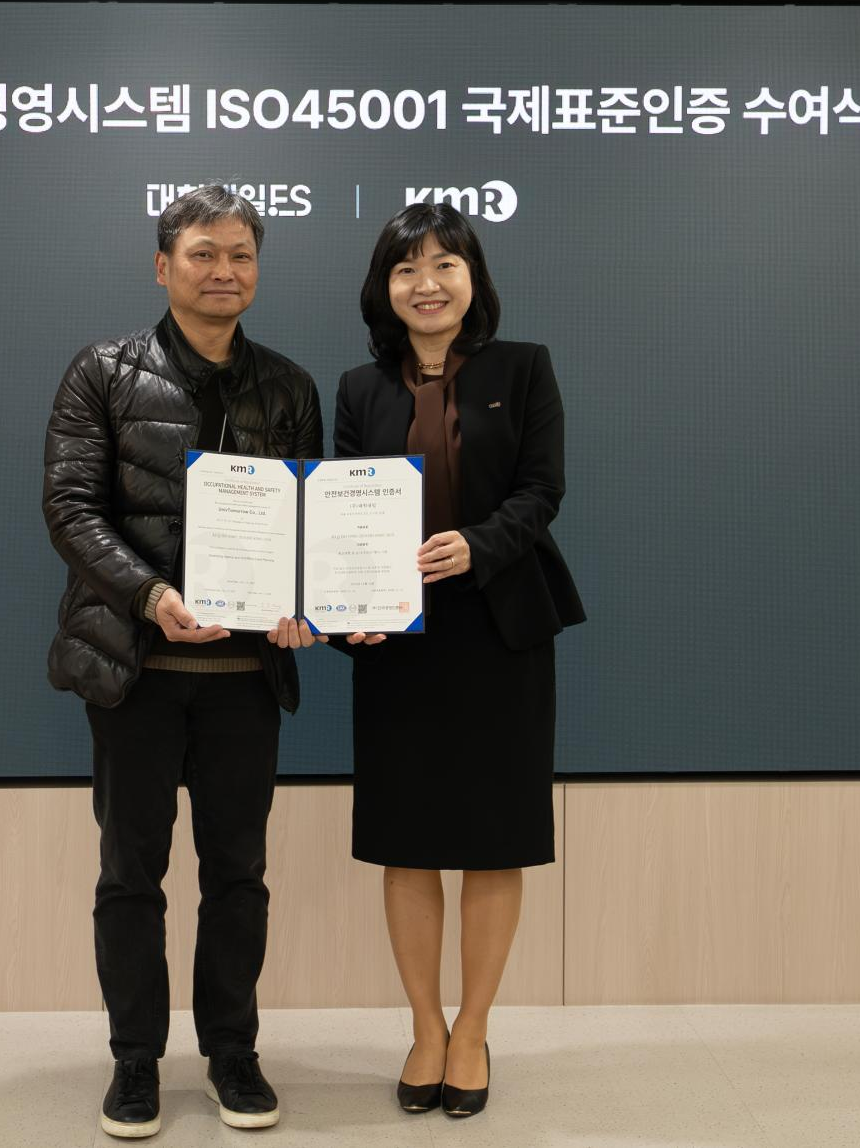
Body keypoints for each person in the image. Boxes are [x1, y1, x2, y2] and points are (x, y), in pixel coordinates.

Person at [43, 183, 324, 1139]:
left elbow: (305, 525)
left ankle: (233, 1052)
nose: (223, 271)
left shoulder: (289, 386)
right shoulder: (103, 372)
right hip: (135, 673)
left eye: (241, 254)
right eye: (203, 253)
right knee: (131, 874)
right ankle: (134, 1061)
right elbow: (70, 509)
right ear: (163, 266)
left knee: (238, 875)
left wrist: (305, 601)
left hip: (246, 682)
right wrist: (153, 596)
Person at [331, 202, 585, 1118]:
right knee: (406, 840)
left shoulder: (524, 368)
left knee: (490, 837)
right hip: (398, 644)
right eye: (407, 269)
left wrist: (478, 544)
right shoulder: (360, 387)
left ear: (473, 279)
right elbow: (344, 508)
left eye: (445, 264)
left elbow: (542, 488)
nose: (426, 283)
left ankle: (473, 1029)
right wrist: (348, 609)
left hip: (498, 630)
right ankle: (424, 1028)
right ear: (385, 288)